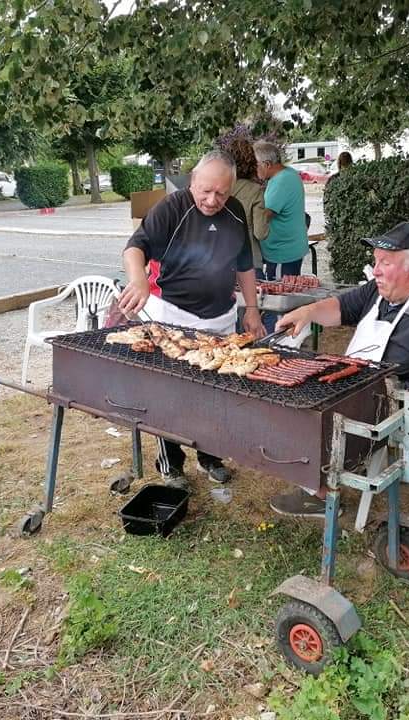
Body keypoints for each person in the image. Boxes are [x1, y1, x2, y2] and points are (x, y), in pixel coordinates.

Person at [266, 221, 409, 517]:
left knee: (312, 415)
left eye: (385, 263)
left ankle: (321, 496)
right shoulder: (380, 291)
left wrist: (374, 390)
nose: (375, 271)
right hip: (366, 388)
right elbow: (340, 308)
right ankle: (321, 479)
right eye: (376, 262)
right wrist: (307, 311)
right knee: (301, 400)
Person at [119, 150, 263, 488]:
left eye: (221, 193)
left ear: (231, 189)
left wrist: (253, 309)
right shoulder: (170, 208)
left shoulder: (236, 212)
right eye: (205, 190)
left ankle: (210, 456)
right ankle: (171, 464)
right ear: (193, 181)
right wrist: (139, 279)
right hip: (173, 315)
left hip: (220, 318)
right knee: (169, 392)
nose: (213, 200)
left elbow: (244, 265)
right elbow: (134, 247)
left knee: (215, 393)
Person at [253, 141, 309, 280]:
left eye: (255, 165)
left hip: (282, 254)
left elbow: (263, 216)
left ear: (266, 164)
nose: (254, 170)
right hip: (290, 249)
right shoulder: (287, 173)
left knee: (280, 297)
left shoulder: (281, 181)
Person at [227, 138, 269, 272]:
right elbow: (260, 233)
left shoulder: (218, 187)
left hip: (222, 261)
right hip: (249, 260)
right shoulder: (255, 190)